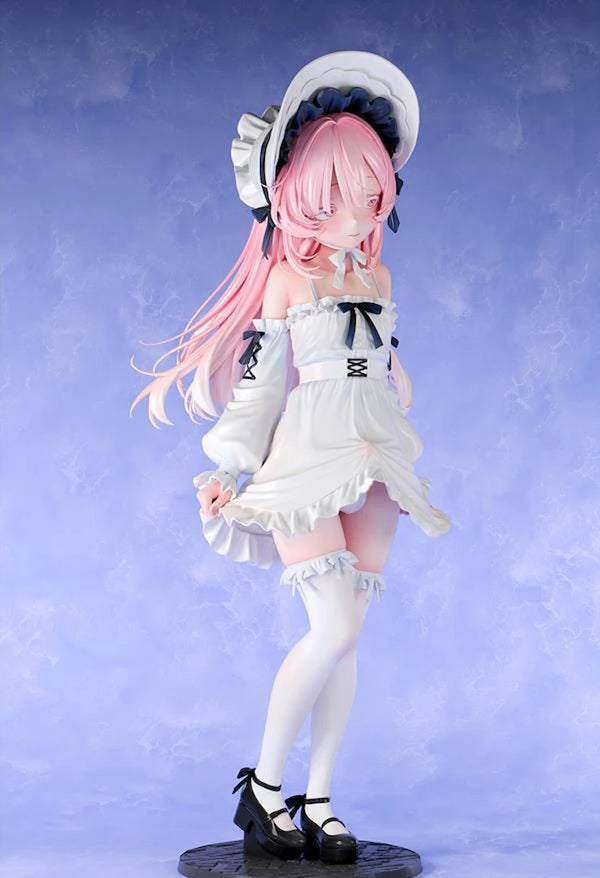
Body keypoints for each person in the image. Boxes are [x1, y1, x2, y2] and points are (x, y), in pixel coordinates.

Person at [130, 51, 451, 865]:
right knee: (331, 625)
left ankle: (321, 800)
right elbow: (259, 386)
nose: (358, 210)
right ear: (297, 195)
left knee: (348, 637)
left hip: (375, 453)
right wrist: (229, 468)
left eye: (370, 192)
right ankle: (265, 788)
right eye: (336, 194)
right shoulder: (286, 284)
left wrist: (391, 387)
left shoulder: (377, 276)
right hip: (306, 459)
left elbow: (384, 371)